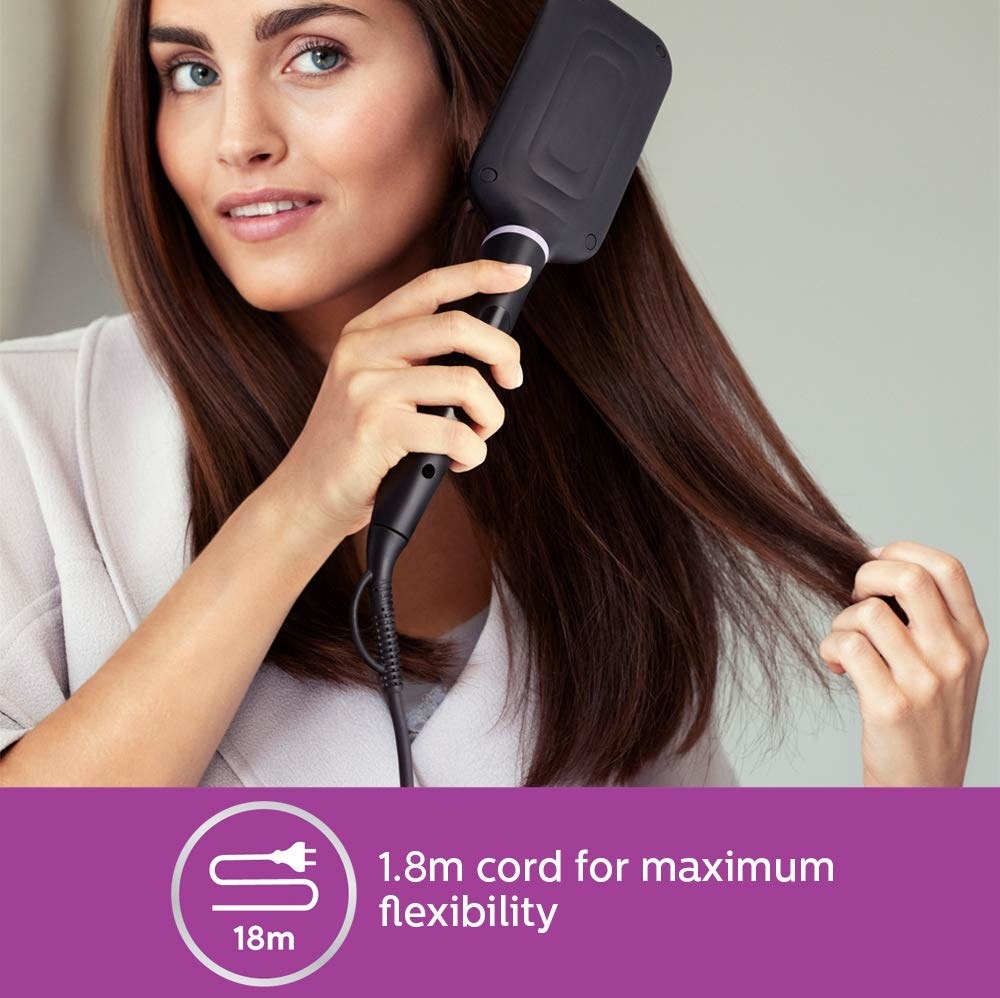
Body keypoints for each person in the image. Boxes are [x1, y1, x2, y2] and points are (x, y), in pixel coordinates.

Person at [0, 0, 989, 787]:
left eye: (316, 55)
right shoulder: (28, 433)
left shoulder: (604, 510)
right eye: (192, 71)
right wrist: (302, 501)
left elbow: (675, 954)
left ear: (485, 97)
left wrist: (909, 829)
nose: (237, 137)